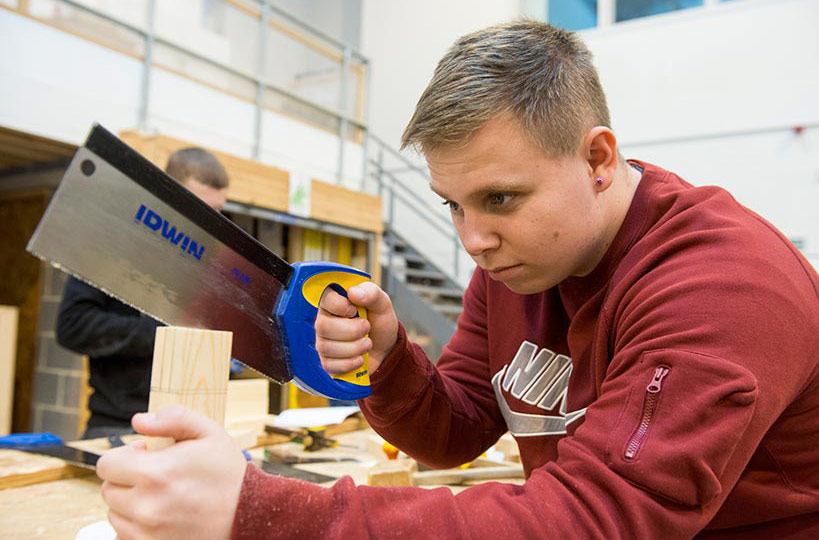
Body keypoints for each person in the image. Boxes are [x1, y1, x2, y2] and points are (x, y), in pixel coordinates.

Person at [96, 21, 819, 538]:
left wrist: (261, 514)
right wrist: (389, 366)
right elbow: (457, 431)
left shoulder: (721, 286)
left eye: (500, 199)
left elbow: (598, 520)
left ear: (598, 159)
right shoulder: (522, 261)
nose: (473, 240)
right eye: (453, 204)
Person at [57, 147, 229, 440]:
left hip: (190, 427)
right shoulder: (113, 245)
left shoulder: (204, 263)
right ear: (167, 194)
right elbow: (73, 325)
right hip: (120, 427)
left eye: (216, 212)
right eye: (200, 208)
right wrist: (162, 333)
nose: (208, 221)